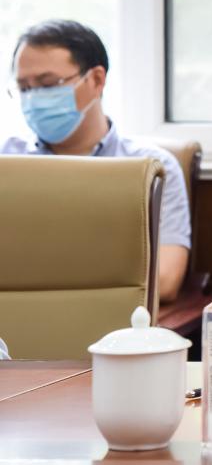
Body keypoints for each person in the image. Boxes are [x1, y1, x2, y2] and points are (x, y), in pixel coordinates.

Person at [4, 19, 191, 302]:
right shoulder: (6, 161)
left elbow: (165, 280)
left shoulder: (150, 168)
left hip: (116, 322)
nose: (34, 99)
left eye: (48, 84)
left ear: (96, 80)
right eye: (25, 89)